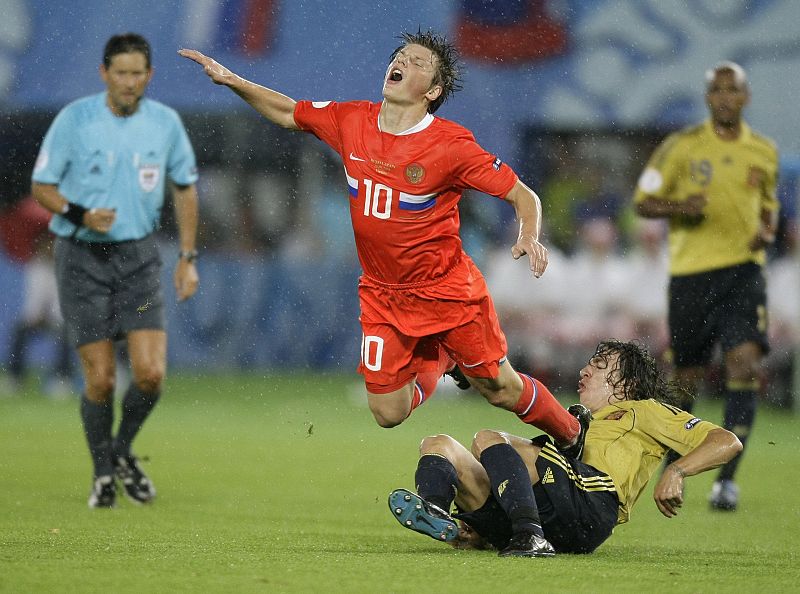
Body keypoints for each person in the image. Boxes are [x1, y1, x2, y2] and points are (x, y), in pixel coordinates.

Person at [179, 30, 584, 450]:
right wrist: (235, 81)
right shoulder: (352, 120)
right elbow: (288, 112)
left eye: (418, 63)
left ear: (433, 90)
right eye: (401, 57)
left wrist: (529, 235)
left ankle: (573, 435)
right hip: (382, 293)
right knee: (388, 413)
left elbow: (522, 194)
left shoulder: (451, 145)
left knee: (500, 388)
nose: (404, 63)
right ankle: (443, 358)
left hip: (446, 291)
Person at [31, 33, 200, 508]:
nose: (129, 82)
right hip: (82, 259)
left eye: (137, 73)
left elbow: (185, 187)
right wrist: (80, 213)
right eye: (120, 73)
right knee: (101, 379)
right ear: (104, 74)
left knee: (149, 375)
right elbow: (41, 185)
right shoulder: (75, 120)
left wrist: (187, 258)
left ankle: (121, 451)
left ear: (150, 75)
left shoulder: (165, 124)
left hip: (139, 261)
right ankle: (102, 472)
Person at [388, 340, 743, 557]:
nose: (586, 368)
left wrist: (678, 470)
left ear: (628, 384)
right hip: (556, 510)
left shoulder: (645, 410)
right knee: (438, 444)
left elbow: (727, 441)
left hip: (593, 502)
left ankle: (529, 535)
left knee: (488, 438)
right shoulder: (581, 421)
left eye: (601, 364)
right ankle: (444, 516)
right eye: (590, 361)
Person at [632, 61, 779, 512]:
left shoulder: (763, 151)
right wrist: (680, 205)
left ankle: (726, 482)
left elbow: (769, 208)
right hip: (693, 276)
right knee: (686, 378)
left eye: (732, 90)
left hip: (744, 273)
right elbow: (643, 202)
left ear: (745, 97)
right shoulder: (682, 147)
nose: (724, 97)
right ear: (707, 98)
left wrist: (766, 232)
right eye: (716, 90)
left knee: (745, 364)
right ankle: (671, 463)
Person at [0, 196, 74, 397]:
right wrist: (36, 318)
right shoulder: (35, 267)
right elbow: (32, 305)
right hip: (40, 317)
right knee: (20, 329)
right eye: (43, 243)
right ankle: (15, 378)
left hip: (62, 318)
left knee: (67, 332)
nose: (47, 247)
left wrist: (50, 318)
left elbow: (63, 306)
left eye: (51, 243)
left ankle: (62, 379)